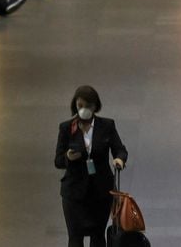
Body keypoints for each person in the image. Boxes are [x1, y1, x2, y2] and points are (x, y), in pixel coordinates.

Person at [55, 86, 128, 247]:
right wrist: (68, 157)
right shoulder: (67, 128)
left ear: (95, 106)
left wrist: (119, 160)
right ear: (75, 106)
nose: (83, 110)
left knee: (98, 235)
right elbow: (58, 160)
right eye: (80, 106)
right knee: (75, 237)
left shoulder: (107, 126)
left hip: (100, 192)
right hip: (74, 193)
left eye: (87, 106)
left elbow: (120, 149)